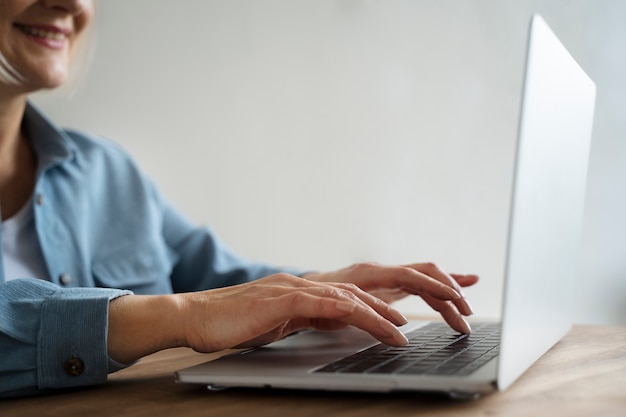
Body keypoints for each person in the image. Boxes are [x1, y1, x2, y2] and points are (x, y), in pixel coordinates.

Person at [0, 0, 478, 398]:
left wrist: (319, 291)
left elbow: (213, 278)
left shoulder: (105, 169)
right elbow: (199, 307)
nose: (73, 4)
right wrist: (184, 315)